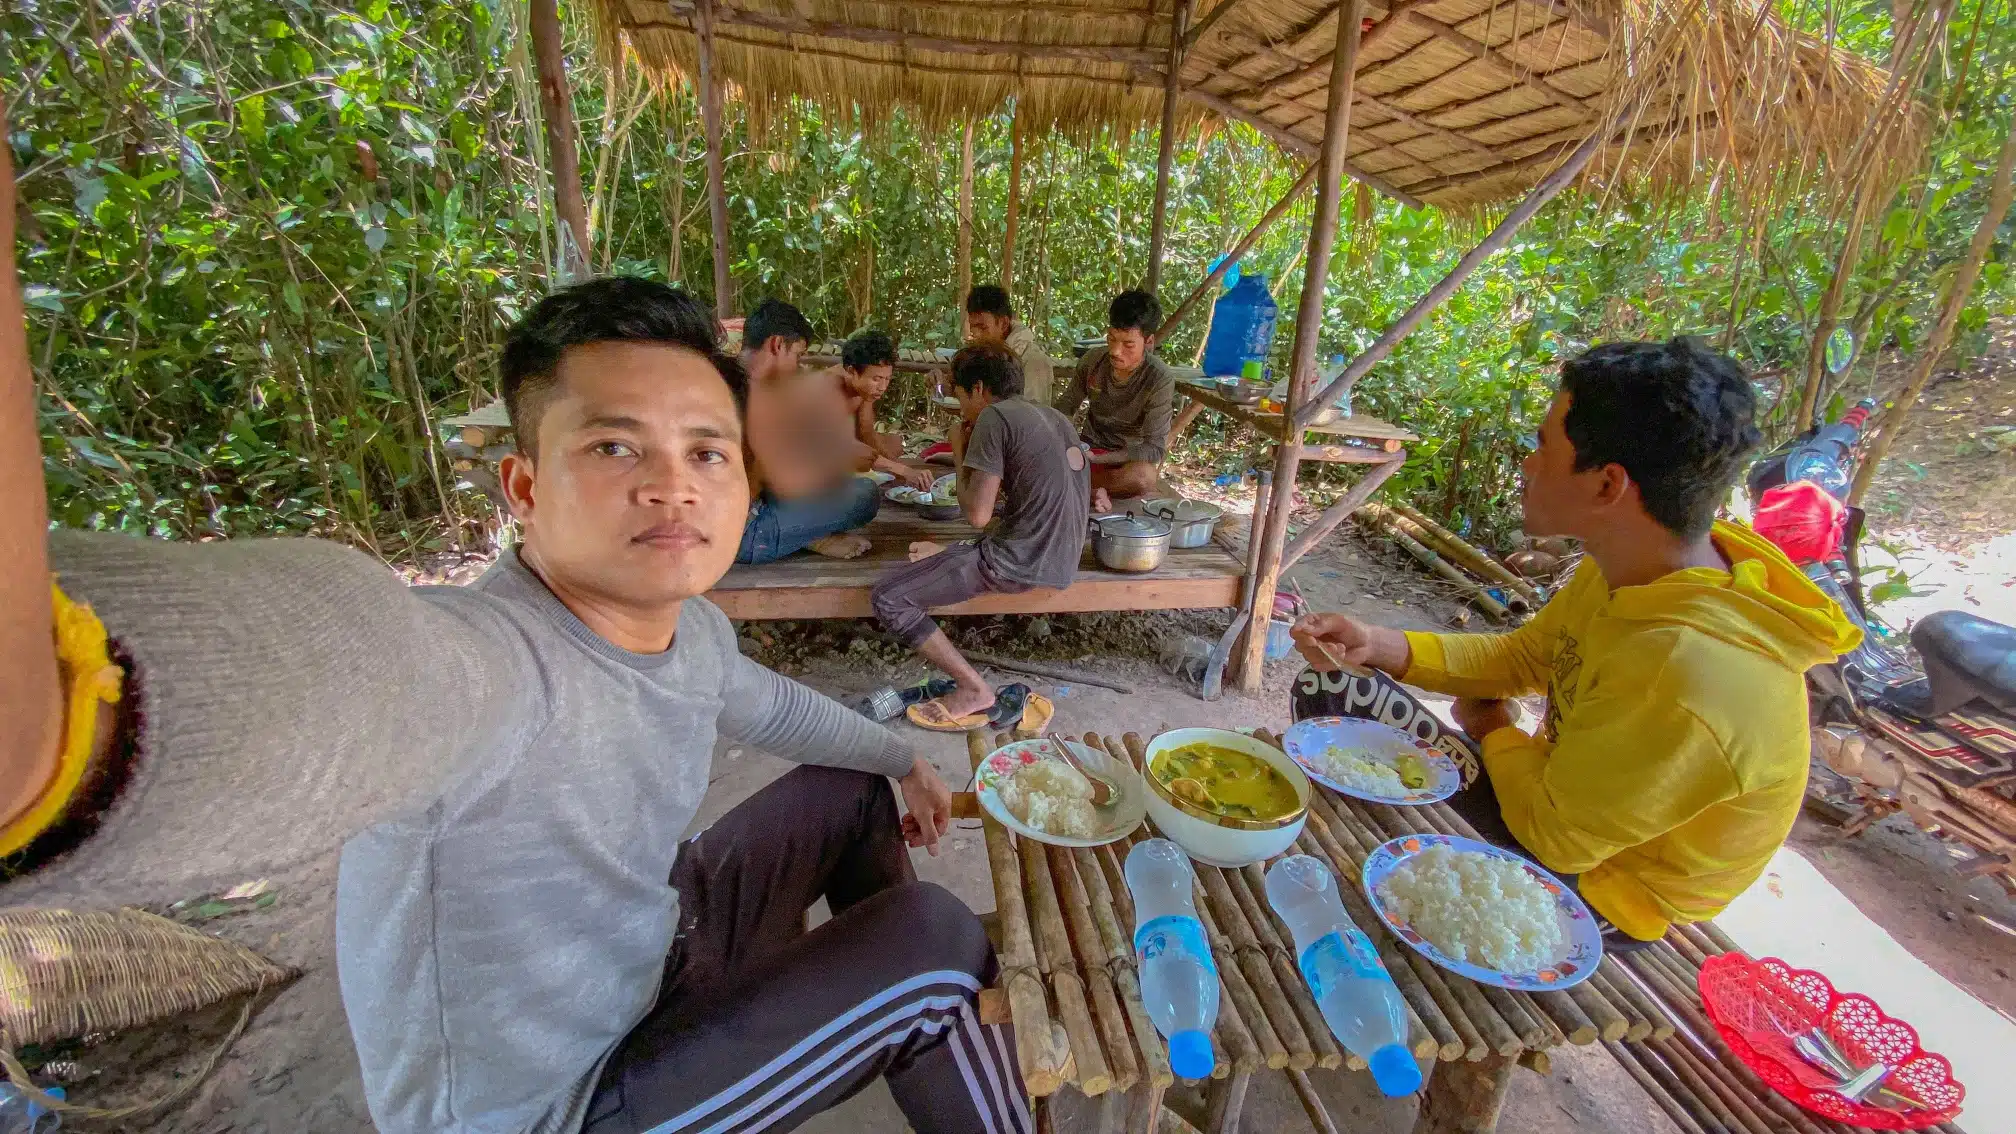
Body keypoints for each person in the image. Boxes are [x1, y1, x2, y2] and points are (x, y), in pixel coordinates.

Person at [1, 273, 1027, 1131]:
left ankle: (866, 1041)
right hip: (554, 1102)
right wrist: (51, 704)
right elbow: (335, 666)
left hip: (646, 963)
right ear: (524, 488)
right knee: (935, 954)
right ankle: (910, 1023)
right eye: (616, 447)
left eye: (706, 452)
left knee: (847, 789)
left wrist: (899, 758)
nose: (674, 486)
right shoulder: (483, 666)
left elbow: (765, 706)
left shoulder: (689, 628)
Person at [1292, 338, 1860, 946]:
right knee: (1337, 687)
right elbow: (1528, 658)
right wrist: (1376, 644)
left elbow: (1554, 837)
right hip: (1556, 797)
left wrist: (1493, 732)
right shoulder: (1636, 563)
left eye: (1544, 446)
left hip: (1602, 885)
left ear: (1607, 485)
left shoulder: (1688, 669)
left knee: (1362, 731)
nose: (1528, 465)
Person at [872, 342, 1089, 730]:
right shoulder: (1054, 416)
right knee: (942, 556)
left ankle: (973, 689)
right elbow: (1022, 506)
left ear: (978, 389)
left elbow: (975, 514)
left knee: (889, 598)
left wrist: (958, 449)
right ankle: (953, 559)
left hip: (1019, 563)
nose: (961, 406)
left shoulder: (994, 417)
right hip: (1062, 558)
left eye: (959, 395)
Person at [738, 299, 886, 562]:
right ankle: (806, 537)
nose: (798, 365)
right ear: (777, 344)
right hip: (744, 533)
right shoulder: (752, 394)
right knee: (865, 494)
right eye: (797, 355)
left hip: (737, 512)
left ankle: (802, 534)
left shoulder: (725, 377)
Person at [1055, 289, 1174, 509]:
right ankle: (1089, 490)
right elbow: (1065, 406)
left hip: (1122, 462)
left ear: (1148, 341)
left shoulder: (1159, 378)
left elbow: (1154, 449)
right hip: (1086, 452)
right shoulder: (1093, 361)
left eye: (1128, 344)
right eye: (1111, 339)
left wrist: (1099, 459)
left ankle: (1079, 486)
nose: (1116, 351)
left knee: (1144, 477)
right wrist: (1060, 438)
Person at [827, 329, 932, 488]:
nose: (883, 387)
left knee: (894, 443)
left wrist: (897, 467)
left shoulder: (864, 389)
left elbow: (866, 431)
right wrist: (899, 469)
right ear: (852, 371)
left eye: (887, 379)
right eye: (876, 379)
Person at [965, 285, 1055, 407]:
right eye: (972, 327)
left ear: (1004, 323)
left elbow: (1031, 419)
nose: (976, 334)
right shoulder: (984, 355)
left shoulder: (1034, 362)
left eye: (982, 327)